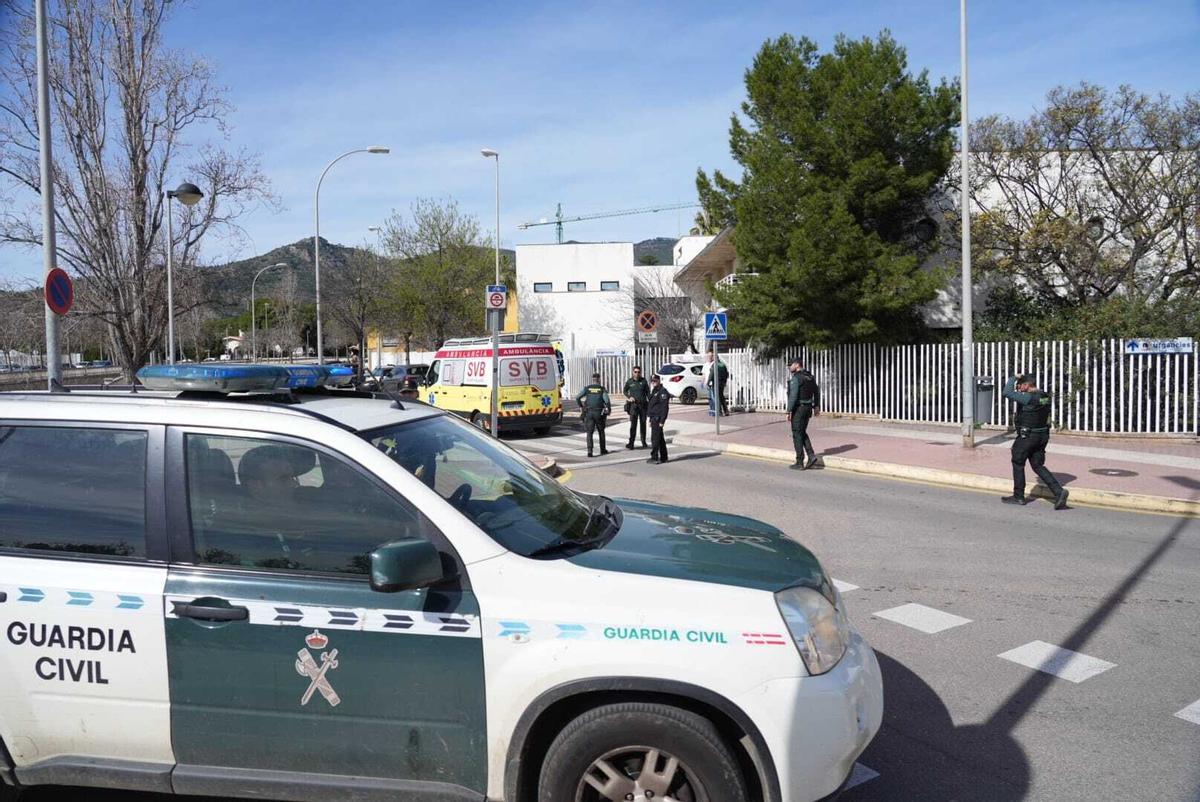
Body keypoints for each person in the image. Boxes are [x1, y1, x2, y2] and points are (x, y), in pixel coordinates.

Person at [1002, 373, 1069, 509]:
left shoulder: (1027, 397)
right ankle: (1059, 492)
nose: (1019, 389)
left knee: (1018, 462)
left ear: (1027, 385)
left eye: (1020, 386)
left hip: (1028, 437)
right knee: (1037, 465)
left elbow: (1006, 392)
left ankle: (1018, 496)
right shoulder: (1044, 396)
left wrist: (1014, 377)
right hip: (1042, 436)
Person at [786, 358, 821, 470]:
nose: (789, 367)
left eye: (790, 365)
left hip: (799, 409)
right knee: (801, 432)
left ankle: (799, 462)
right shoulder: (810, 377)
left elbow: (793, 395)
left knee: (797, 433)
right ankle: (811, 456)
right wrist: (816, 406)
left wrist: (788, 410)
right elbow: (816, 391)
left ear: (797, 365)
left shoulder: (796, 378)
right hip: (808, 409)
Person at [575, 372, 611, 458]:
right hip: (599, 413)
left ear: (593, 379)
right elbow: (607, 401)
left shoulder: (587, 388)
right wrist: (608, 410)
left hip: (589, 413)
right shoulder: (602, 389)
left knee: (589, 432)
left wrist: (581, 406)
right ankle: (603, 450)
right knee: (601, 431)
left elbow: (577, 397)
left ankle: (590, 451)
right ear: (599, 379)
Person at [623, 366, 650, 449]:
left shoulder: (644, 381)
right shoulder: (629, 381)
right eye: (635, 372)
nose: (637, 373)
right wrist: (629, 397)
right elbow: (624, 391)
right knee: (633, 425)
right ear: (632, 372)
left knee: (643, 424)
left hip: (643, 406)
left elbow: (648, 393)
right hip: (633, 406)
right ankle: (631, 443)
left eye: (638, 372)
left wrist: (651, 403)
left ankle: (643, 442)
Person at [646, 374, 671, 464]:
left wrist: (662, 421)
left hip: (658, 418)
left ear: (659, 381)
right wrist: (650, 419)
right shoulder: (655, 391)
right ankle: (664, 457)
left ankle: (655, 457)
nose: (653, 382)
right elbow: (652, 405)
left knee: (655, 439)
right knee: (660, 439)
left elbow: (665, 408)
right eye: (652, 381)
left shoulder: (662, 392)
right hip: (654, 418)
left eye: (655, 381)